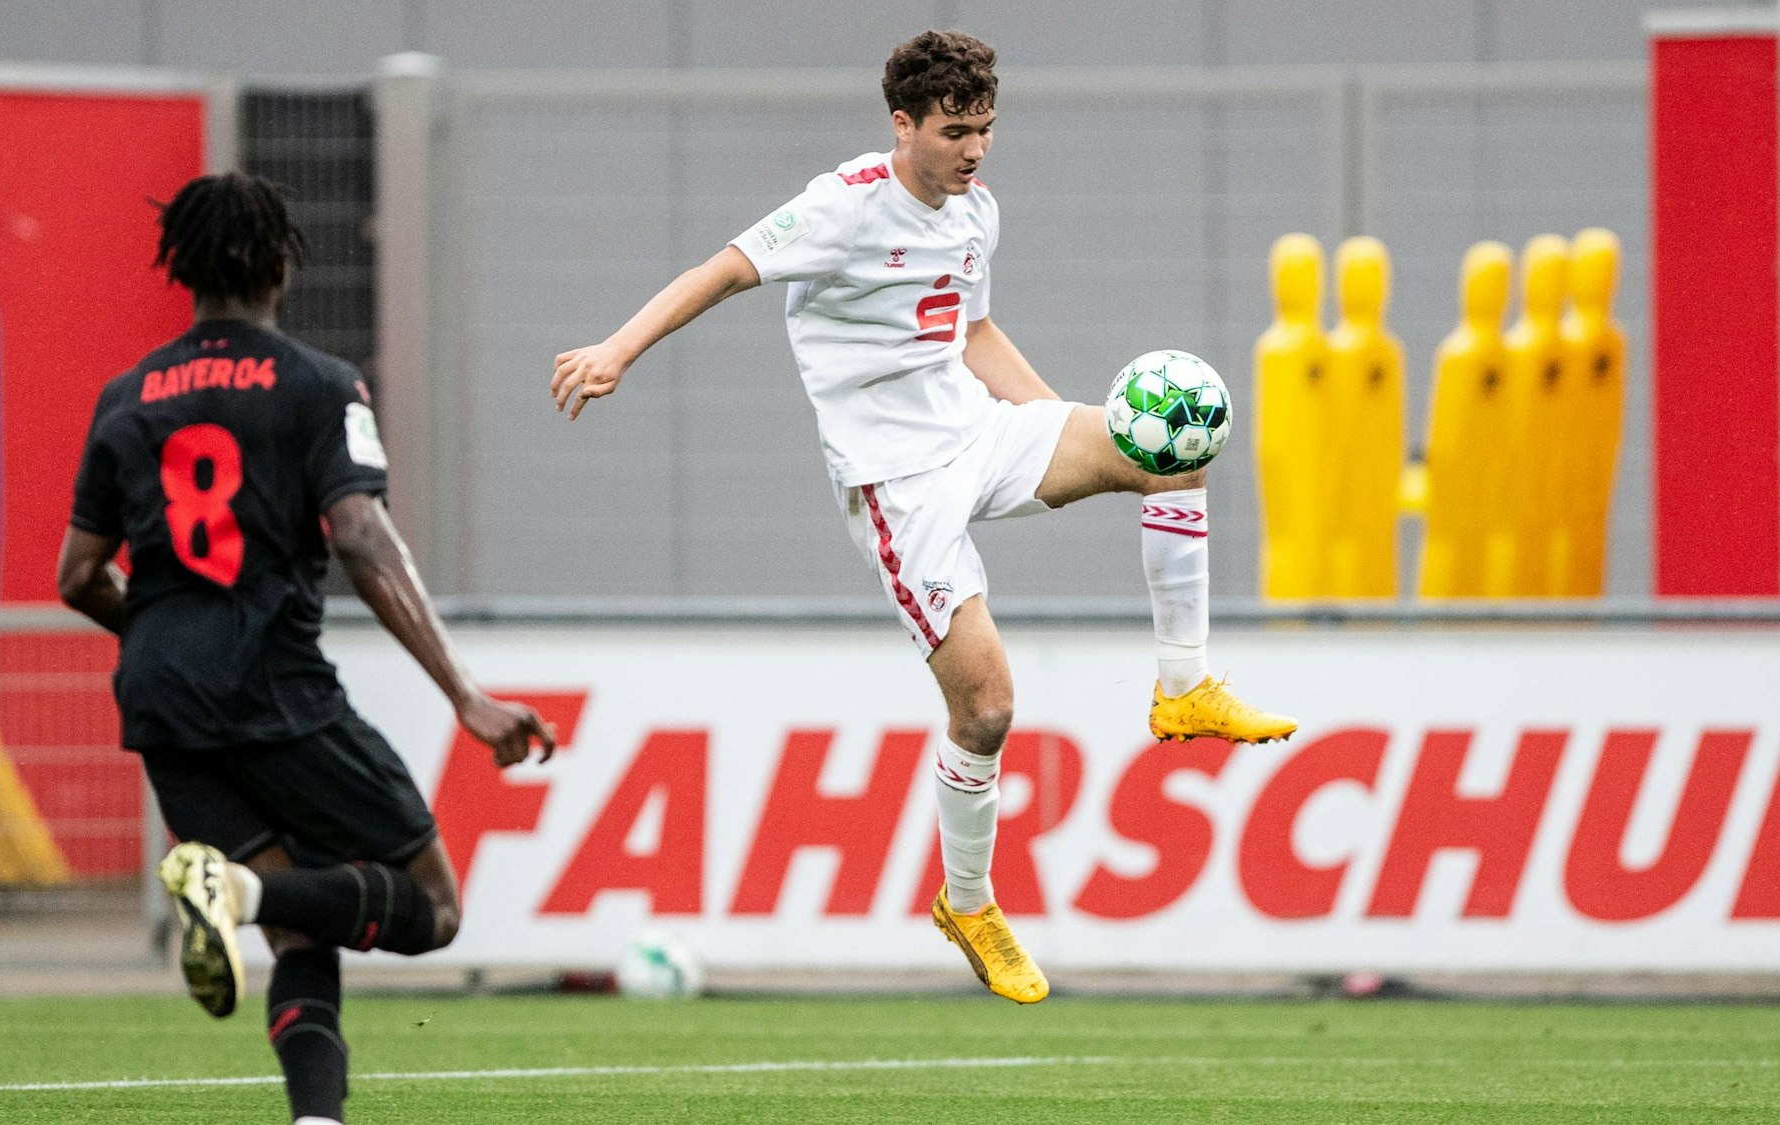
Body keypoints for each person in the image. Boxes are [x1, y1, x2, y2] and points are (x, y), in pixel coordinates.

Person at [551, 30, 1296, 1005]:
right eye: (953, 131)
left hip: (975, 431)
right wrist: (617, 348)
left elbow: (971, 327)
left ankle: (1183, 685)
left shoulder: (973, 210)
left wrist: (1057, 421)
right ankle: (969, 902)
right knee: (985, 709)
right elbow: (723, 269)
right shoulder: (843, 206)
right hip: (897, 486)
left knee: (1170, 450)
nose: (972, 149)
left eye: (984, 129)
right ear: (902, 125)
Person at [58, 171, 556, 1125]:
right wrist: (465, 694)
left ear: (184, 270)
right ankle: (234, 894)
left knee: (303, 917)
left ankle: (315, 1116)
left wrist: (166, 636)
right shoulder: (320, 384)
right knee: (431, 906)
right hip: (273, 684)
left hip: (160, 697)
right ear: (279, 266)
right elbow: (360, 535)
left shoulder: (125, 398)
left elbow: (79, 574)